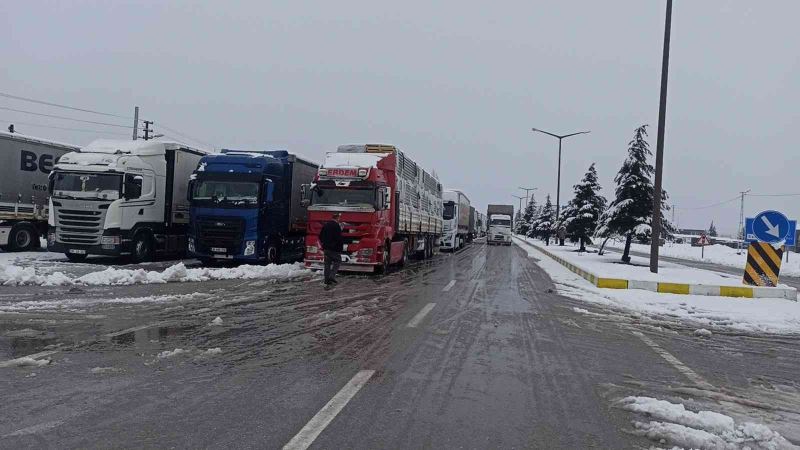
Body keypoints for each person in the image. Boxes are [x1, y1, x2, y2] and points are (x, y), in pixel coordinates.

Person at [319, 213, 344, 285]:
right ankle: (332, 276)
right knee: (338, 261)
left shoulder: (326, 225)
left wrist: (324, 243)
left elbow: (320, 236)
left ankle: (326, 280)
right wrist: (339, 247)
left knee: (327, 264)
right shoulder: (337, 226)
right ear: (337, 218)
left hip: (326, 248)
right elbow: (338, 238)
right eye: (339, 218)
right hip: (334, 249)